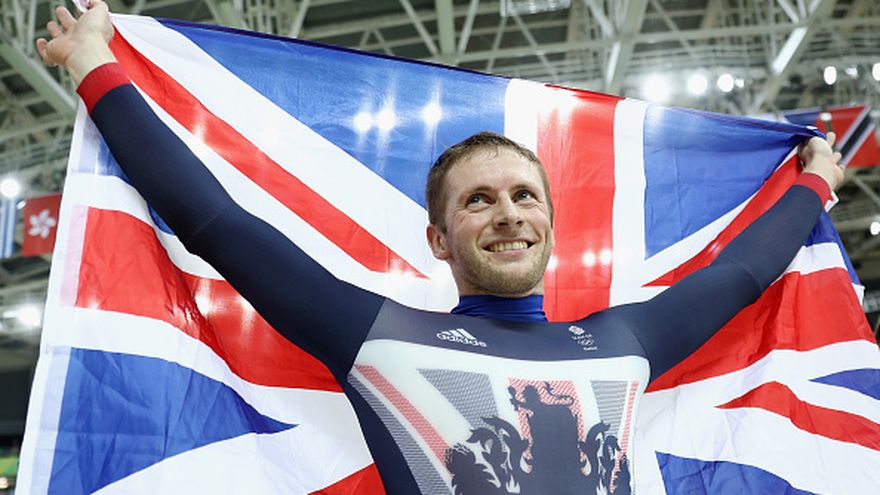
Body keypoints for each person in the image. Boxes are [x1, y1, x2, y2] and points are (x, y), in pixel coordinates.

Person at [37, 2, 844, 494]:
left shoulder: (622, 339)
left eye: (524, 195)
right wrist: (93, 64)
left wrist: (816, 182)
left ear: (549, 223)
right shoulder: (379, 338)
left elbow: (742, 274)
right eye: (478, 199)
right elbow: (217, 222)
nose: (507, 214)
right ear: (439, 236)